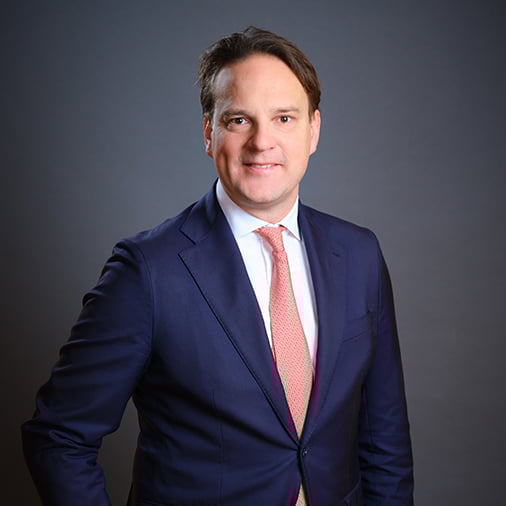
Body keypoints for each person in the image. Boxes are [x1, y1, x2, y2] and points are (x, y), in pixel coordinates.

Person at [22, 26, 414, 505]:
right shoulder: (148, 271)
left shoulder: (358, 254)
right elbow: (59, 437)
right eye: (239, 120)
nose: (262, 142)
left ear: (313, 130)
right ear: (209, 132)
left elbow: (385, 439)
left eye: (284, 118)